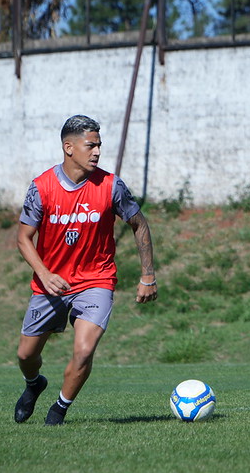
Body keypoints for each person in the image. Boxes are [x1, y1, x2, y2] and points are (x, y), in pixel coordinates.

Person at [13, 114, 157, 425]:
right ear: (69, 147)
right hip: (51, 284)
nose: (97, 152)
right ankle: (34, 384)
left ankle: (58, 411)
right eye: (90, 146)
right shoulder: (42, 187)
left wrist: (148, 275)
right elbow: (23, 238)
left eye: (99, 146)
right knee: (26, 356)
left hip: (97, 280)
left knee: (84, 349)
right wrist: (44, 273)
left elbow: (139, 224)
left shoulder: (111, 185)